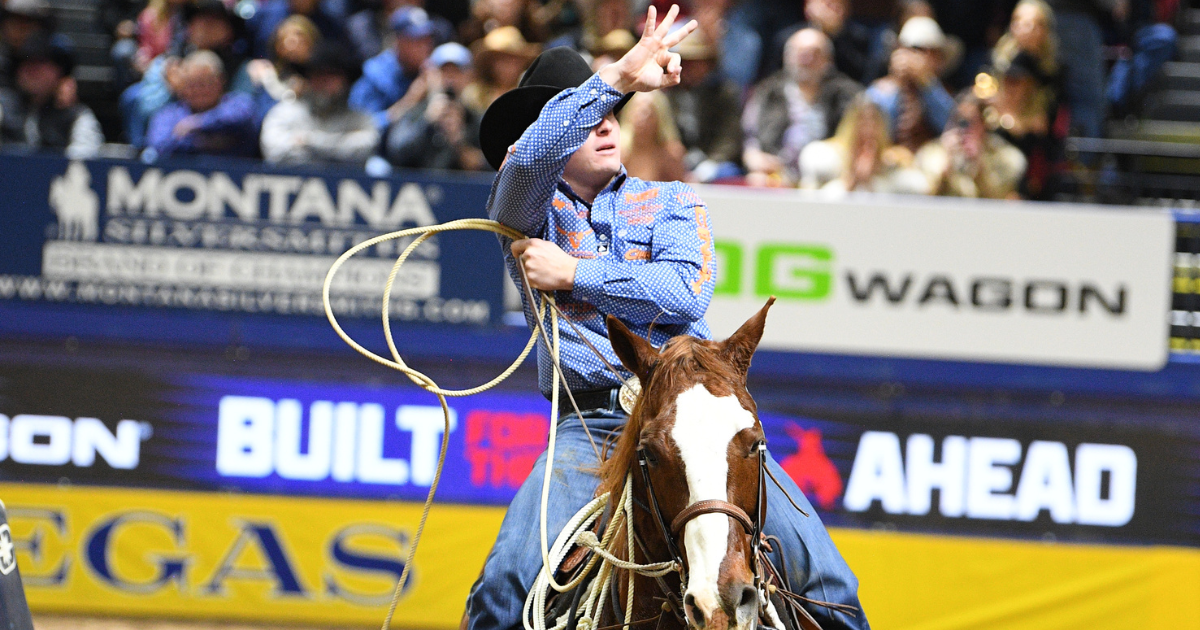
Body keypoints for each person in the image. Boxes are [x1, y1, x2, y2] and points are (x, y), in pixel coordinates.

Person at [466, 6, 868, 630]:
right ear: (544, 143)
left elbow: (683, 296)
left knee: (829, 583)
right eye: (581, 120)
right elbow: (523, 165)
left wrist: (574, 274)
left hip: (696, 414)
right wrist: (618, 76)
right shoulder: (524, 208)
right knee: (505, 582)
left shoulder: (672, 198)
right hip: (591, 422)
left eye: (608, 116)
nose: (602, 126)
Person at [742, 27, 862, 186]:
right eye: (800, 52)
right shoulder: (767, 92)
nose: (807, 59)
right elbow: (750, 138)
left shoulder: (847, 95)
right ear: (787, 57)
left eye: (815, 53)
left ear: (828, 61)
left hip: (829, 177)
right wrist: (753, 156)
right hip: (778, 173)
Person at [261, 43, 378, 165]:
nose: (324, 81)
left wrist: (310, 141)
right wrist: (340, 147)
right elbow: (273, 149)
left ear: (345, 81)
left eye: (331, 75)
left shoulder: (359, 118)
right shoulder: (285, 113)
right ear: (308, 78)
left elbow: (368, 145)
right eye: (318, 74)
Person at [384, 42, 486, 170]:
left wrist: (458, 142)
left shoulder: (475, 118)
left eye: (456, 72)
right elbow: (397, 153)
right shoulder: (416, 112)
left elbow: (486, 167)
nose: (450, 79)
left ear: (469, 76)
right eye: (443, 71)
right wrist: (428, 121)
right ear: (430, 75)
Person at [0, 34, 103, 159]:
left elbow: (82, 163)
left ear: (60, 71)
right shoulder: (3, 107)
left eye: (41, 63)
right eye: (25, 62)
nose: (31, 70)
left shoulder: (76, 115)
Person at [799, 95, 927, 194]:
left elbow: (921, 188)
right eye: (862, 122)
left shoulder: (895, 159)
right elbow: (811, 196)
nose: (868, 130)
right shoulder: (824, 155)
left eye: (874, 123)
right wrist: (850, 181)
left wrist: (872, 181)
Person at [864, 16, 955, 152]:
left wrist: (927, 83)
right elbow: (872, 127)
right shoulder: (881, 89)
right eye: (916, 49)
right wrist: (897, 82)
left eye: (933, 52)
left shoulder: (943, 91)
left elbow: (950, 125)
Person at [144, 50, 257, 159]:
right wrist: (201, 143)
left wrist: (198, 123)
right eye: (191, 84)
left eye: (204, 84)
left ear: (220, 81)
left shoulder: (238, 104)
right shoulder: (168, 115)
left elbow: (240, 118)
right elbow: (160, 145)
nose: (198, 90)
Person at [663, 27, 742, 182]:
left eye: (696, 62)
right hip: (675, 164)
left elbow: (730, 137)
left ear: (708, 64)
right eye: (685, 62)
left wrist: (709, 166)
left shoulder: (724, 93)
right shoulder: (666, 95)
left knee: (729, 173)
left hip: (714, 163)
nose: (689, 69)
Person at [915, 92, 1026, 198]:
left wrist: (979, 167)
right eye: (958, 120)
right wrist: (946, 167)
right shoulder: (932, 152)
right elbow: (925, 197)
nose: (963, 129)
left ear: (983, 124)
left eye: (970, 122)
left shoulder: (1005, 156)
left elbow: (999, 198)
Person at [348, 5, 435, 131]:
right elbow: (362, 129)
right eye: (416, 40)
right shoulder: (376, 75)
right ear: (399, 41)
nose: (424, 47)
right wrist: (410, 101)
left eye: (427, 39)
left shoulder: (434, 70)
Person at [460, 25, 539, 116]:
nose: (507, 66)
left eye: (513, 60)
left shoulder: (531, 91)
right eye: (500, 60)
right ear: (489, 64)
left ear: (523, 62)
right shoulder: (474, 95)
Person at [618, 91, 687, 182]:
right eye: (637, 111)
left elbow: (678, 190)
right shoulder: (619, 151)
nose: (642, 118)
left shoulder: (671, 153)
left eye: (647, 113)